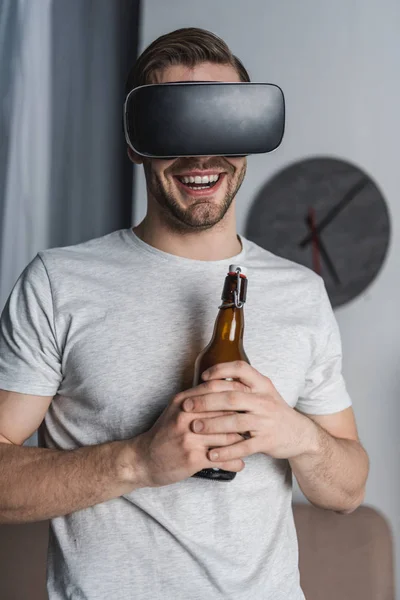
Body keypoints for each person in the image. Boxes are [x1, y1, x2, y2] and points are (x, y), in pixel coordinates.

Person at [0, 27, 369, 600]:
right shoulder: (57, 283)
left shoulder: (302, 293)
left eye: (222, 123)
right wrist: (138, 462)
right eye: (175, 127)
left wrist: (294, 433)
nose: (201, 155)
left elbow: (346, 489)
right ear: (134, 141)